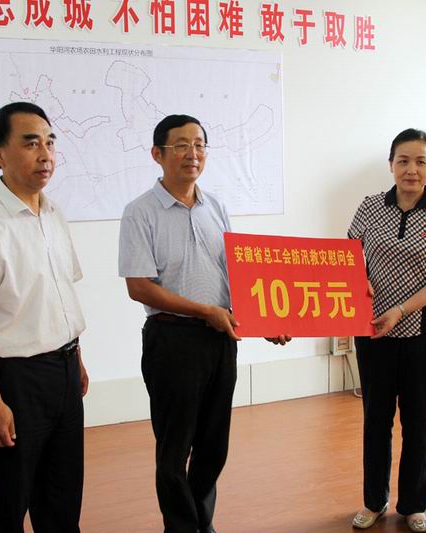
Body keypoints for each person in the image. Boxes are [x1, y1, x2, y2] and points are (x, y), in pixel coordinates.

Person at [119, 114, 289, 533]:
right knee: (175, 448)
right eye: (181, 145)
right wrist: (203, 311)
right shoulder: (140, 212)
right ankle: (182, 527)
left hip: (221, 338)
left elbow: (235, 277)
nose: (192, 153)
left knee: (214, 445)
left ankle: (200, 520)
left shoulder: (216, 207)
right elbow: (139, 287)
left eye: (199, 144)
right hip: (172, 340)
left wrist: (262, 320)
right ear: (157, 154)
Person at [0, 102, 89, 533]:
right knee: (12, 496)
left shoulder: (53, 212)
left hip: (63, 370)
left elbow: (61, 294)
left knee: (63, 493)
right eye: (31, 144)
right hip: (15, 379)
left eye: (50, 143)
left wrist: (77, 359)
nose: (45, 154)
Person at [347, 129, 426, 532]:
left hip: (423, 332)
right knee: (375, 418)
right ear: (391, 164)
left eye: (420, 161)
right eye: (403, 160)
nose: (411, 169)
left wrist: (401, 308)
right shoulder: (369, 207)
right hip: (373, 330)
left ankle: (413, 504)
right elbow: (348, 259)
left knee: (417, 419)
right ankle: (374, 500)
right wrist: (360, 279)